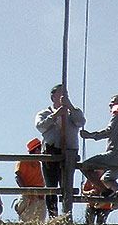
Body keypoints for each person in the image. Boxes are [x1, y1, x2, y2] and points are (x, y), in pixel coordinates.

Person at [34, 84, 86, 217]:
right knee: (51, 186)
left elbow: (80, 122)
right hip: (51, 151)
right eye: (61, 94)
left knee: (67, 185)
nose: (64, 96)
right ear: (53, 97)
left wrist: (70, 107)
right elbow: (41, 126)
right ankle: (53, 217)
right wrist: (56, 115)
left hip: (69, 152)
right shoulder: (44, 113)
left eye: (66, 94)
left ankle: (67, 214)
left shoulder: (74, 112)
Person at [80, 94, 118, 200]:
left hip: (116, 155)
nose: (110, 105)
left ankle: (105, 192)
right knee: (107, 178)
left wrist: (91, 135)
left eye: (113, 102)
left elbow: (110, 131)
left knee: (85, 166)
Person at [14, 138, 47, 222]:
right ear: (36, 150)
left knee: (41, 219)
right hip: (28, 194)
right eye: (41, 149)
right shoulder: (23, 160)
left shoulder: (38, 163)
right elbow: (18, 177)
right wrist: (27, 192)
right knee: (26, 219)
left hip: (39, 195)